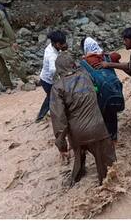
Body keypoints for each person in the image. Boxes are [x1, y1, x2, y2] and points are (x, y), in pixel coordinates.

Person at [50, 53, 116, 187]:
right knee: (108, 168)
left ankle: (75, 179)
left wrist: (61, 145)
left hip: (77, 133)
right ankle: (106, 187)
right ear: (73, 64)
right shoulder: (86, 76)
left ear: (58, 70)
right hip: (98, 128)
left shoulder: (57, 87)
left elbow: (58, 118)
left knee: (79, 156)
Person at [80, 36, 122, 143]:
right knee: (112, 116)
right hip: (112, 91)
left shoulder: (85, 62)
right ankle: (114, 138)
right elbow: (118, 55)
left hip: (99, 94)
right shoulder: (106, 57)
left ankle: (103, 140)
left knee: (101, 117)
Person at [36, 30, 68, 122]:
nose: (64, 45)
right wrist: (57, 80)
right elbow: (53, 70)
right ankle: (41, 116)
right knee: (51, 97)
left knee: (52, 97)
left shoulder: (51, 46)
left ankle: (44, 114)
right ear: (57, 44)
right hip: (48, 81)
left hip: (44, 77)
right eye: (62, 44)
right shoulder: (52, 55)